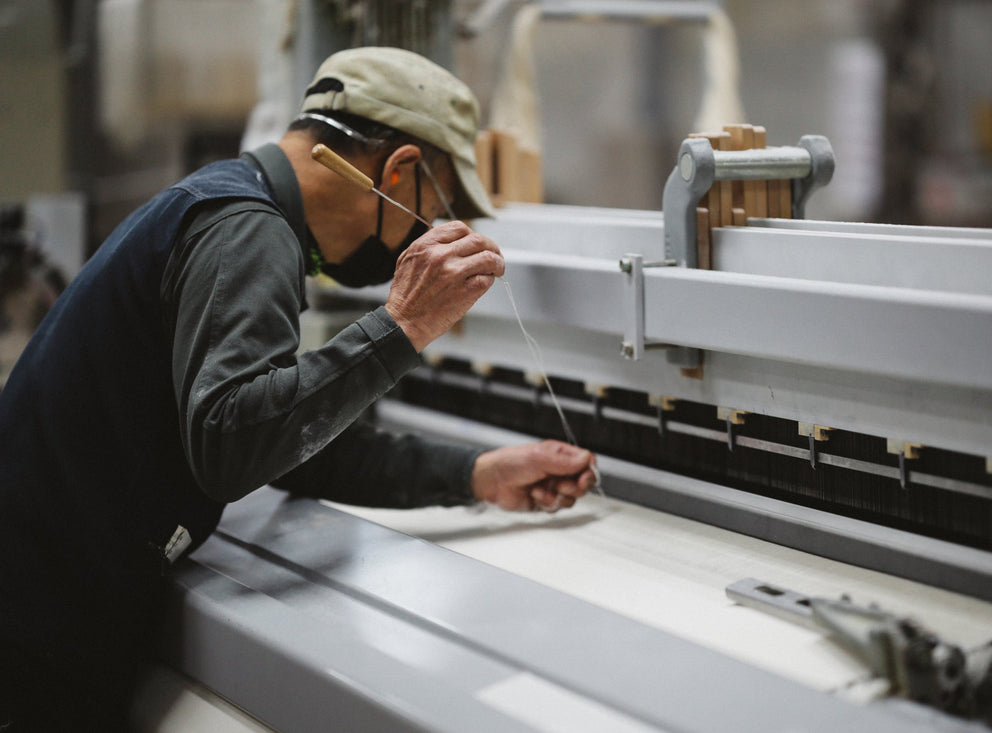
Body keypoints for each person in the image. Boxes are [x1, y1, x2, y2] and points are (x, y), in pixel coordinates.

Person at [0, 46, 597, 731]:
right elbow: (232, 443)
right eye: (438, 209)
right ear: (399, 172)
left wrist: (475, 474)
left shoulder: (227, 201)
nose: (431, 230)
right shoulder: (247, 229)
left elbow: (290, 441)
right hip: (31, 639)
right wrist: (401, 326)